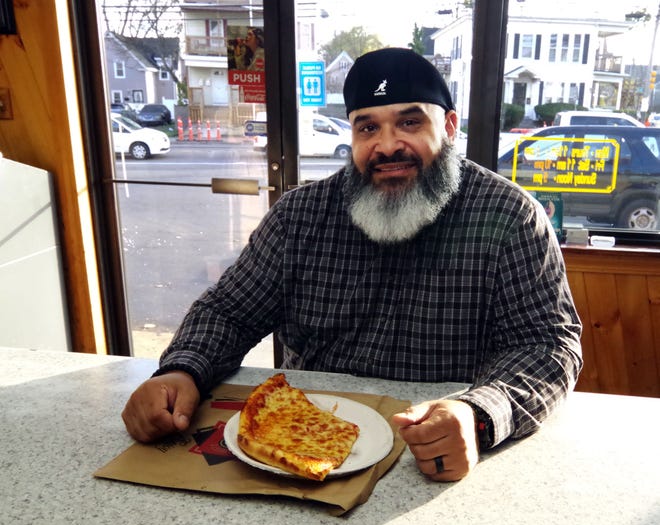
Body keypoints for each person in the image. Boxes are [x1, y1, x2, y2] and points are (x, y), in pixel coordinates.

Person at [122, 48, 582, 482]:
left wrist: (478, 414)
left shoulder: (509, 216)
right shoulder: (300, 216)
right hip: (299, 442)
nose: (387, 146)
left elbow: (549, 345)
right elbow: (229, 312)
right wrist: (181, 371)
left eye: (409, 122)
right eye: (367, 128)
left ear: (450, 126)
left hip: (438, 450)